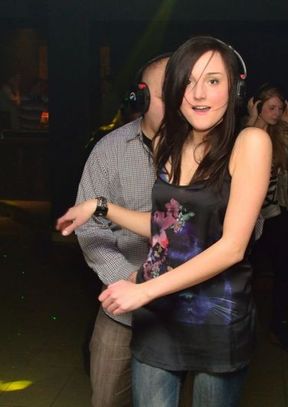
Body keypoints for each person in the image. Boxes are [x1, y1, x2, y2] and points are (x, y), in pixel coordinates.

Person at [57, 36, 272, 407]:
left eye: (213, 81)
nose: (199, 94)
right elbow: (168, 229)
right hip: (159, 317)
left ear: (235, 89)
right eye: (188, 82)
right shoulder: (171, 144)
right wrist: (100, 206)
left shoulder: (251, 142)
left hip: (214, 321)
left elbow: (232, 247)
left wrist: (144, 290)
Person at [75, 53, 169, 407]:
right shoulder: (110, 150)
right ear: (141, 97)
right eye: (168, 93)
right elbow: (89, 227)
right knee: (106, 398)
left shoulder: (212, 152)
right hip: (122, 313)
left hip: (189, 314)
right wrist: (125, 280)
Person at [245, 84, 288, 351]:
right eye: (271, 107)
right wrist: (253, 119)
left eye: (280, 108)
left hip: (275, 213)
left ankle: (279, 327)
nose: (276, 113)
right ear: (258, 106)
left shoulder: (282, 133)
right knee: (246, 273)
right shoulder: (246, 131)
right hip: (248, 216)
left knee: (287, 268)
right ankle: (243, 330)